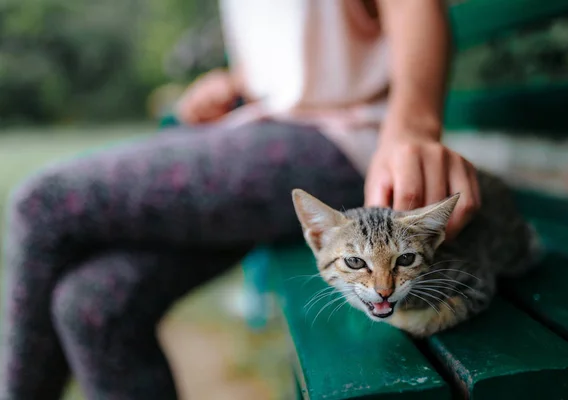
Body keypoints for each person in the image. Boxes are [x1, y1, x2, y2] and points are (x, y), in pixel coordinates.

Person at [0, 0, 480, 399]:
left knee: (43, 203)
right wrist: (238, 82)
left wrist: (413, 127)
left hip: (344, 142)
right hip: (265, 127)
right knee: (93, 303)